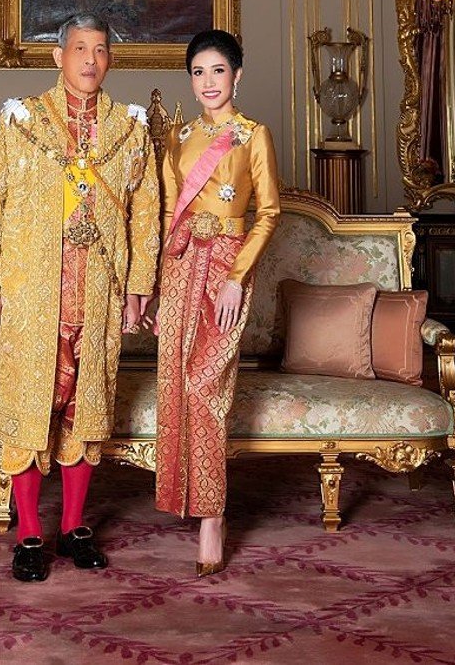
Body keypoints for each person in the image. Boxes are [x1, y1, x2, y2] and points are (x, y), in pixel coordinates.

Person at [0, 13, 160, 582]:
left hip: (98, 290)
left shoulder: (129, 127)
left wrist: (137, 286)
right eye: (79, 49)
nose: (90, 60)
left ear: (110, 60)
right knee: (32, 407)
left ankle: (74, 528)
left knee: (86, 407)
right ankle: (29, 534)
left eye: (100, 50)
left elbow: (146, 212)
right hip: (32, 289)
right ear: (59, 57)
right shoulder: (23, 121)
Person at [154, 29, 281, 575]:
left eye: (218, 71)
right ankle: (184, 496)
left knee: (208, 385)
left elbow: (269, 213)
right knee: (177, 381)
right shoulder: (177, 137)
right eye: (199, 72)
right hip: (182, 265)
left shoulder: (253, 136)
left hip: (227, 269)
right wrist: (158, 287)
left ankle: (212, 515)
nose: (208, 82)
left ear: (238, 75)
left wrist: (237, 277)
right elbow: (164, 215)